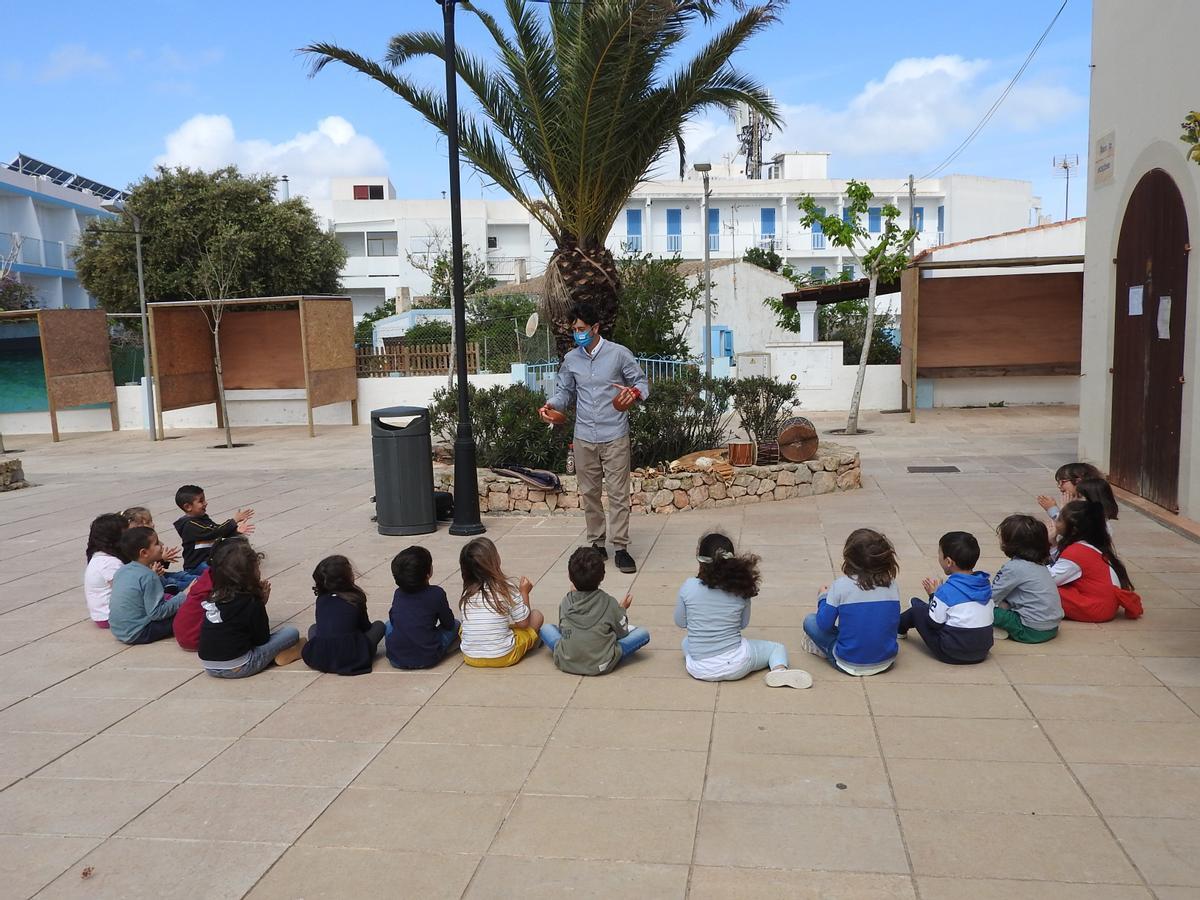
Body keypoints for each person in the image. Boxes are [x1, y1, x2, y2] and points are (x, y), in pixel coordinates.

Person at [539, 301, 649, 573]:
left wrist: (633, 395)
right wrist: (551, 405)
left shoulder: (619, 354)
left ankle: (621, 547)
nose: (578, 333)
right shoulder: (571, 359)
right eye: (575, 329)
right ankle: (597, 543)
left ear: (596, 327)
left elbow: (642, 383)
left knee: (618, 493)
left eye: (582, 328)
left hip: (615, 434)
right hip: (584, 436)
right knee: (590, 493)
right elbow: (564, 392)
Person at [675, 532, 811, 688]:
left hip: (699, 669)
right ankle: (778, 671)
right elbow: (742, 624)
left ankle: (703, 661)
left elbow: (680, 622)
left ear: (701, 561)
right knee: (776, 648)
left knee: (686, 642)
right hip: (737, 665)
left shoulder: (689, 586)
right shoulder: (740, 587)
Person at [801, 528, 902, 676]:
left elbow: (824, 624)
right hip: (886, 661)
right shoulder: (892, 585)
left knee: (810, 621)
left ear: (849, 559)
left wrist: (823, 597)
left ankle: (824, 649)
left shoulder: (841, 586)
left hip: (848, 663)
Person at [197, 540, 303, 678]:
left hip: (209, 667)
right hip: (240, 666)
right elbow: (262, 639)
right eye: (257, 568)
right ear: (248, 575)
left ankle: (280, 654)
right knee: (291, 632)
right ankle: (292, 651)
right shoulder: (251, 601)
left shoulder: (213, 597)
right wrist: (261, 603)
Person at [540, 546, 650, 675]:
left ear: (570, 577)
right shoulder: (609, 602)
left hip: (566, 661)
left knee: (546, 629)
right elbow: (623, 633)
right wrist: (622, 609)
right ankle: (598, 642)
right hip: (601, 664)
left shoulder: (566, 601)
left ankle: (583, 642)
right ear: (602, 576)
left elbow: (563, 630)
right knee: (643, 633)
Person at [899, 531, 994, 665]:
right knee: (938, 610)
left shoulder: (947, 591)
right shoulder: (985, 586)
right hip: (982, 651)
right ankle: (923, 605)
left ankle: (898, 629)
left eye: (939, 554)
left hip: (952, 653)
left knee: (917, 612)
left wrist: (934, 595)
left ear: (948, 561)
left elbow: (934, 623)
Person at [458, 537, 545, 668]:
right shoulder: (506, 587)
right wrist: (524, 593)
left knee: (463, 627)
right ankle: (529, 643)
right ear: (495, 561)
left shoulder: (467, 592)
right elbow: (523, 623)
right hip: (503, 656)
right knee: (537, 616)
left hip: (470, 657)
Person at [1051, 499, 1142, 622]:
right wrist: (1052, 544)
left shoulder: (1076, 552)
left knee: (1039, 589)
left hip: (1097, 608)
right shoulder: (1089, 544)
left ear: (1074, 530)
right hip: (1105, 604)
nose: (1055, 522)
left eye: (1060, 520)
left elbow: (1049, 578)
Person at [302, 555, 385, 676]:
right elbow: (366, 627)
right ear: (348, 578)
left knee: (313, 628)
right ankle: (361, 652)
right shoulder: (355, 598)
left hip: (322, 658)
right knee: (379, 626)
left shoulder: (321, 599)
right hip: (352, 656)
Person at [385, 545, 460, 670]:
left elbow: (394, 620)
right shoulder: (436, 593)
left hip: (396, 659)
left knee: (388, 625)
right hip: (428, 658)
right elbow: (449, 623)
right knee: (457, 624)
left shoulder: (398, 593)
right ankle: (443, 649)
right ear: (428, 573)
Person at [991, 514, 1063, 643]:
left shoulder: (1014, 568)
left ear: (1011, 543)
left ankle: (1000, 630)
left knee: (981, 608)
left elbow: (990, 597)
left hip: (1031, 631)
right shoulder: (1040, 563)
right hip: (1051, 627)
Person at [109, 526, 186, 645]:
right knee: (188, 612)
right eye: (156, 543)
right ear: (144, 553)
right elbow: (157, 613)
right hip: (140, 632)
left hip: (119, 630)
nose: (161, 545)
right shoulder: (148, 576)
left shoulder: (123, 570)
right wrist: (184, 595)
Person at [173, 484, 255, 574]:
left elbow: (218, 531)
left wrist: (235, 530)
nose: (205, 503)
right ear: (188, 507)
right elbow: (213, 532)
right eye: (201, 501)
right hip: (196, 566)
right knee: (224, 571)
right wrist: (234, 521)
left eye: (204, 499)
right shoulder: (189, 525)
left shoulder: (202, 517)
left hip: (209, 559)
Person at [122, 506, 194, 594]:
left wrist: (164, 559)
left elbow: (158, 565)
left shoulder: (151, 538)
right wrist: (162, 559)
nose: (152, 524)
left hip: (163, 576)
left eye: (151, 521)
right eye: (148, 522)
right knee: (189, 584)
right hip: (158, 582)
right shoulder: (137, 546)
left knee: (184, 575)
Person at [84, 513, 128, 629]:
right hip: (109, 616)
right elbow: (126, 592)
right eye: (126, 533)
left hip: (103, 615)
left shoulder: (98, 556)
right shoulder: (109, 563)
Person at [1037, 462, 1104, 522]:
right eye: (1058, 483)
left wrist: (1053, 509)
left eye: (1062, 482)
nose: (1059, 486)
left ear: (1078, 481)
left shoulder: (1086, 505)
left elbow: (1068, 527)